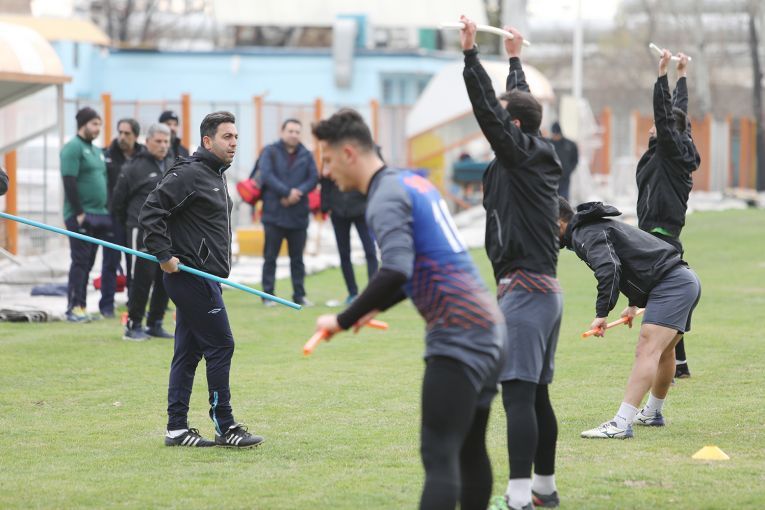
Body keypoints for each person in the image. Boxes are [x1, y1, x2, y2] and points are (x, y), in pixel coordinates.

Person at [312, 109, 505, 510]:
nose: (325, 172)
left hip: (458, 332)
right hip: (488, 326)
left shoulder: (383, 198)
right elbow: (422, 263)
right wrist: (375, 306)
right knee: (469, 450)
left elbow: (396, 268)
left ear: (348, 153)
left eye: (327, 160)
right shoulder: (412, 182)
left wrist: (343, 319)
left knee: (439, 454)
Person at [460, 17, 563, 510]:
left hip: (526, 291)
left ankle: (519, 497)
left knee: (519, 395)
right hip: (540, 292)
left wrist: (471, 56)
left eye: (505, 122)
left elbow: (492, 111)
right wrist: (515, 59)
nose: (495, 127)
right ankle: (544, 490)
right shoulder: (530, 153)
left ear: (514, 128)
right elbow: (516, 107)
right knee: (536, 395)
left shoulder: (522, 156)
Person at [140, 111, 263, 448]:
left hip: (207, 277)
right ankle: (226, 426)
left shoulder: (215, 174)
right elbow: (151, 211)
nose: (234, 143)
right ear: (207, 141)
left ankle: (176, 429)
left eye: (236, 137)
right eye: (227, 137)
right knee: (222, 345)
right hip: (191, 277)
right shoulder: (189, 174)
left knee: (188, 352)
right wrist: (164, 256)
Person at [558, 199, 701, 439]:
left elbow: (609, 268)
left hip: (672, 285)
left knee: (647, 350)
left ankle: (620, 424)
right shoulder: (592, 228)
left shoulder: (585, 233)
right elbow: (634, 260)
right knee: (664, 352)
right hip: (684, 280)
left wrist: (602, 314)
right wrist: (634, 303)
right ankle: (651, 413)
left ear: (558, 221)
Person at [636, 49, 700, 379]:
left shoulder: (668, 152)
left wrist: (662, 75)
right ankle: (680, 365)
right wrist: (682, 74)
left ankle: (670, 365)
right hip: (663, 238)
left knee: (660, 304)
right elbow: (678, 115)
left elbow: (666, 116)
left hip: (658, 238)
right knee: (666, 300)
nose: (652, 127)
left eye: (656, 125)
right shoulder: (676, 149)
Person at [112, 123, 174, 341]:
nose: (163, 145)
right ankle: (133, 324)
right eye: (158, 141)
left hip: (166, 230)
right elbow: (117, 202)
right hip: (140, 230)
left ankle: (155, 323)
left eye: (166, 141)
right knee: (140, 278)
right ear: (147, 142)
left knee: (166, 275)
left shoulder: (172, 164)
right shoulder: (133, 167)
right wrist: (132, 224)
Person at [60, 107, 115, 322]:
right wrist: (79, 213)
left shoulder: (97, 150)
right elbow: (69, 181)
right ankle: (74, 308)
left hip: (99, 214)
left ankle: (82, 306)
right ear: (83, 124)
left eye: (99, 124)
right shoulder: (72, 148)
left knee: (89, 263)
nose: (98, 128)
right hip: (80, 215)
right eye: (94, 124)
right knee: (80, 261)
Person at [259, 118, 318, 307]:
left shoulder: (306, 155)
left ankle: (299, 295)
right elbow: (266, 175)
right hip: (274, 213)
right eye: (290, 131)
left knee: (298, 259)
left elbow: (313, 178)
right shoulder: (270, 151)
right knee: (270, 257)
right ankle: (268, 294)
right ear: (282, 132)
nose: (294, 135)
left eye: (297, 132)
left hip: (298, 214)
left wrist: (297, 193)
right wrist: (285, 192)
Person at [103, 118, 143, 306]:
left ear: (135, 136)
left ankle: (133, 303)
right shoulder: (108, 155)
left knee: (133, 263)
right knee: (110, 261)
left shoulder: (143, 157)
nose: (122, 137)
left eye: (127, 133)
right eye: (120, 132)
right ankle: (107, 304)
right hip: (113, 217)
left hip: (135, 218)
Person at [319, 175, 378, 305]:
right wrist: (325, 206)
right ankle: (352, 293)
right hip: (338, 210)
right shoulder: (331, 163)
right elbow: (325, 182)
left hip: (361, 209)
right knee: (344, 254)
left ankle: (373, 293)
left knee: (370, 251)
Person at [549, 122, 578, 200]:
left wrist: (569, 170)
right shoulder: (548, 144)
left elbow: (575, 159)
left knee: (564, 199)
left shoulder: (570, 144)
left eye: (557, 134)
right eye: (554, 134)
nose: (555, 136)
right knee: (552, 200)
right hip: (551, 178)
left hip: (565, 178)